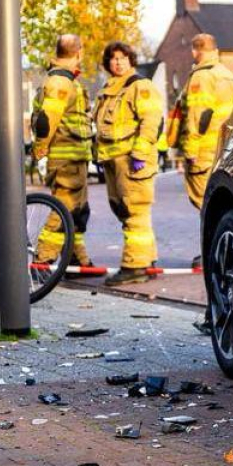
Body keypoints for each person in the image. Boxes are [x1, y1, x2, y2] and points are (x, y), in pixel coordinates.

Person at [92, 41, 162, 285]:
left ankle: (134, 266)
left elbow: (151, 120)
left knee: (135, 211)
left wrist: (140, 154)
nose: (118, 62)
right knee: (125, 211)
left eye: (123, 57)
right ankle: (146, 258)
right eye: (113, 58)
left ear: (131, 60)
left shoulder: (139, 85)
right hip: (114, 161)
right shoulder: (110, 88)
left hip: (132, 161)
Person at [30, 34, 93, 270]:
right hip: (67, 158)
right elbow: (48, 120)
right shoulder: (60, 82)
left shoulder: (62, 80)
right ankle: (43, 259)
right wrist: (41, 150)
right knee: (63, 208)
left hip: (74, 156)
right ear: (79, 52)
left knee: (77, 208)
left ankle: (77, 258)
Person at [167, 33, 233, 212]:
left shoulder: (201, 77)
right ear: (215, 50)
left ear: (195, 52)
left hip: (204, 151)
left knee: (205, 203)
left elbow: (197, 115)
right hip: (226, 148)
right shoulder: (228, 75)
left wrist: (191, 150)